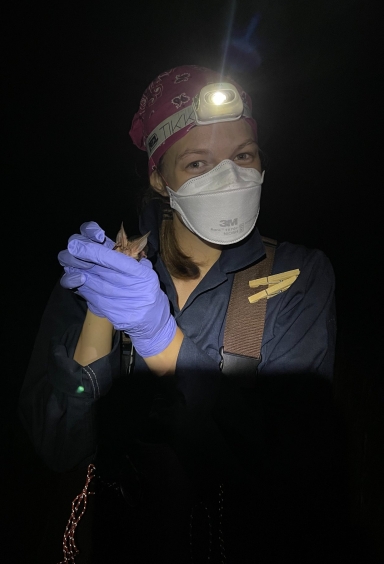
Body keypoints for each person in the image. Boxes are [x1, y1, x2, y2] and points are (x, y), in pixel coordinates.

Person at [19, 65, 338, 563]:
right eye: (196, 163)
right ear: (159, 179)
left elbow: (287, 465)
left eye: (243, 155)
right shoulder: (102, 267)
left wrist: (159, 336)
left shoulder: (299, 275)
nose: (228, 175)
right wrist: (100, 314)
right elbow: (58, 444)